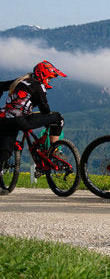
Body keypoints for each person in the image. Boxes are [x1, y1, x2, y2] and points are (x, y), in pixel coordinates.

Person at [0, 61, 67, 196]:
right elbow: (45, 109)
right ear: (43, 75)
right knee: (57, 117)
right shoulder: (39, 86)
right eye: (49, 77)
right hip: (22, 120)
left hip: (4, 119)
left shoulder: (20, 80)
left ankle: (2, 187)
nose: (50, 80)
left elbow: (0, 85)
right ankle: (54, 151)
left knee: (5, 153)